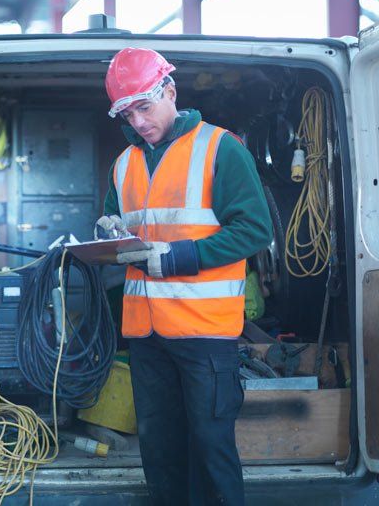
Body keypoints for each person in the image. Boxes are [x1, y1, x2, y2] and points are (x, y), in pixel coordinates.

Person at [96, 48, 272, 505]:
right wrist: (111, 234)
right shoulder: (123, 164)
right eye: (127, 112)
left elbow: (255, 230)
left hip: (203, 334)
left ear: (170, 91)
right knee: (159, 450)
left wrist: (177, 258)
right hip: (146, 333)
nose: (137, 121)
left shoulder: (220, 148)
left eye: (144, 106)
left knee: (211, 449)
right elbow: (123, 228)